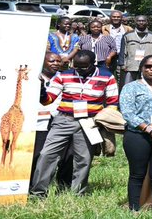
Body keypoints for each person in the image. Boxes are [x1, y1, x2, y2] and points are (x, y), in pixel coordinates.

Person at [31, 50, 119, 198]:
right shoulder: (64, 75)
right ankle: (38, 192)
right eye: (76, 66)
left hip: (89, 121)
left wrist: (101, 121)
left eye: (84, 67)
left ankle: (77, 193)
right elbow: (48, 100)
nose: (79, 70)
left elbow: (112, 102)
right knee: (47, 154)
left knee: (83, 159)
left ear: (93, 64)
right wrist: (41, 89)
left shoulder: (107, 77)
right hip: (64, 119)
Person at [120, 55, 152, 211]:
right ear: (142, 68)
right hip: (138, 135)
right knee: (137, 173)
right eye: (148, 66)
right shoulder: (131, 87)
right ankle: (134, 208)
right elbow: (128, 112)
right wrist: (148, 129)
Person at [30, 52, 73, 194]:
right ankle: (32, 186)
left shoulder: (64, 78)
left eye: (58, 61)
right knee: (39, 155)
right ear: (43, 62)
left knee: (66, 157)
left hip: (58, 121)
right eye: (52, 61)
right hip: (38, 123)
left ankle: (63, 187)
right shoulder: (33, 78)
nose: (56, 63)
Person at [118, 15, 152, 84]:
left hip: (147, 66)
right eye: (139, 21)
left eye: (143, 21)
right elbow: (123, 50)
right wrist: (122, 64)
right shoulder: (128, 35)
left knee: (146, 85)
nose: (141, 22)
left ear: (147, 22)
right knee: (128, 85)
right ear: (135, 22)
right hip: (131, 65)